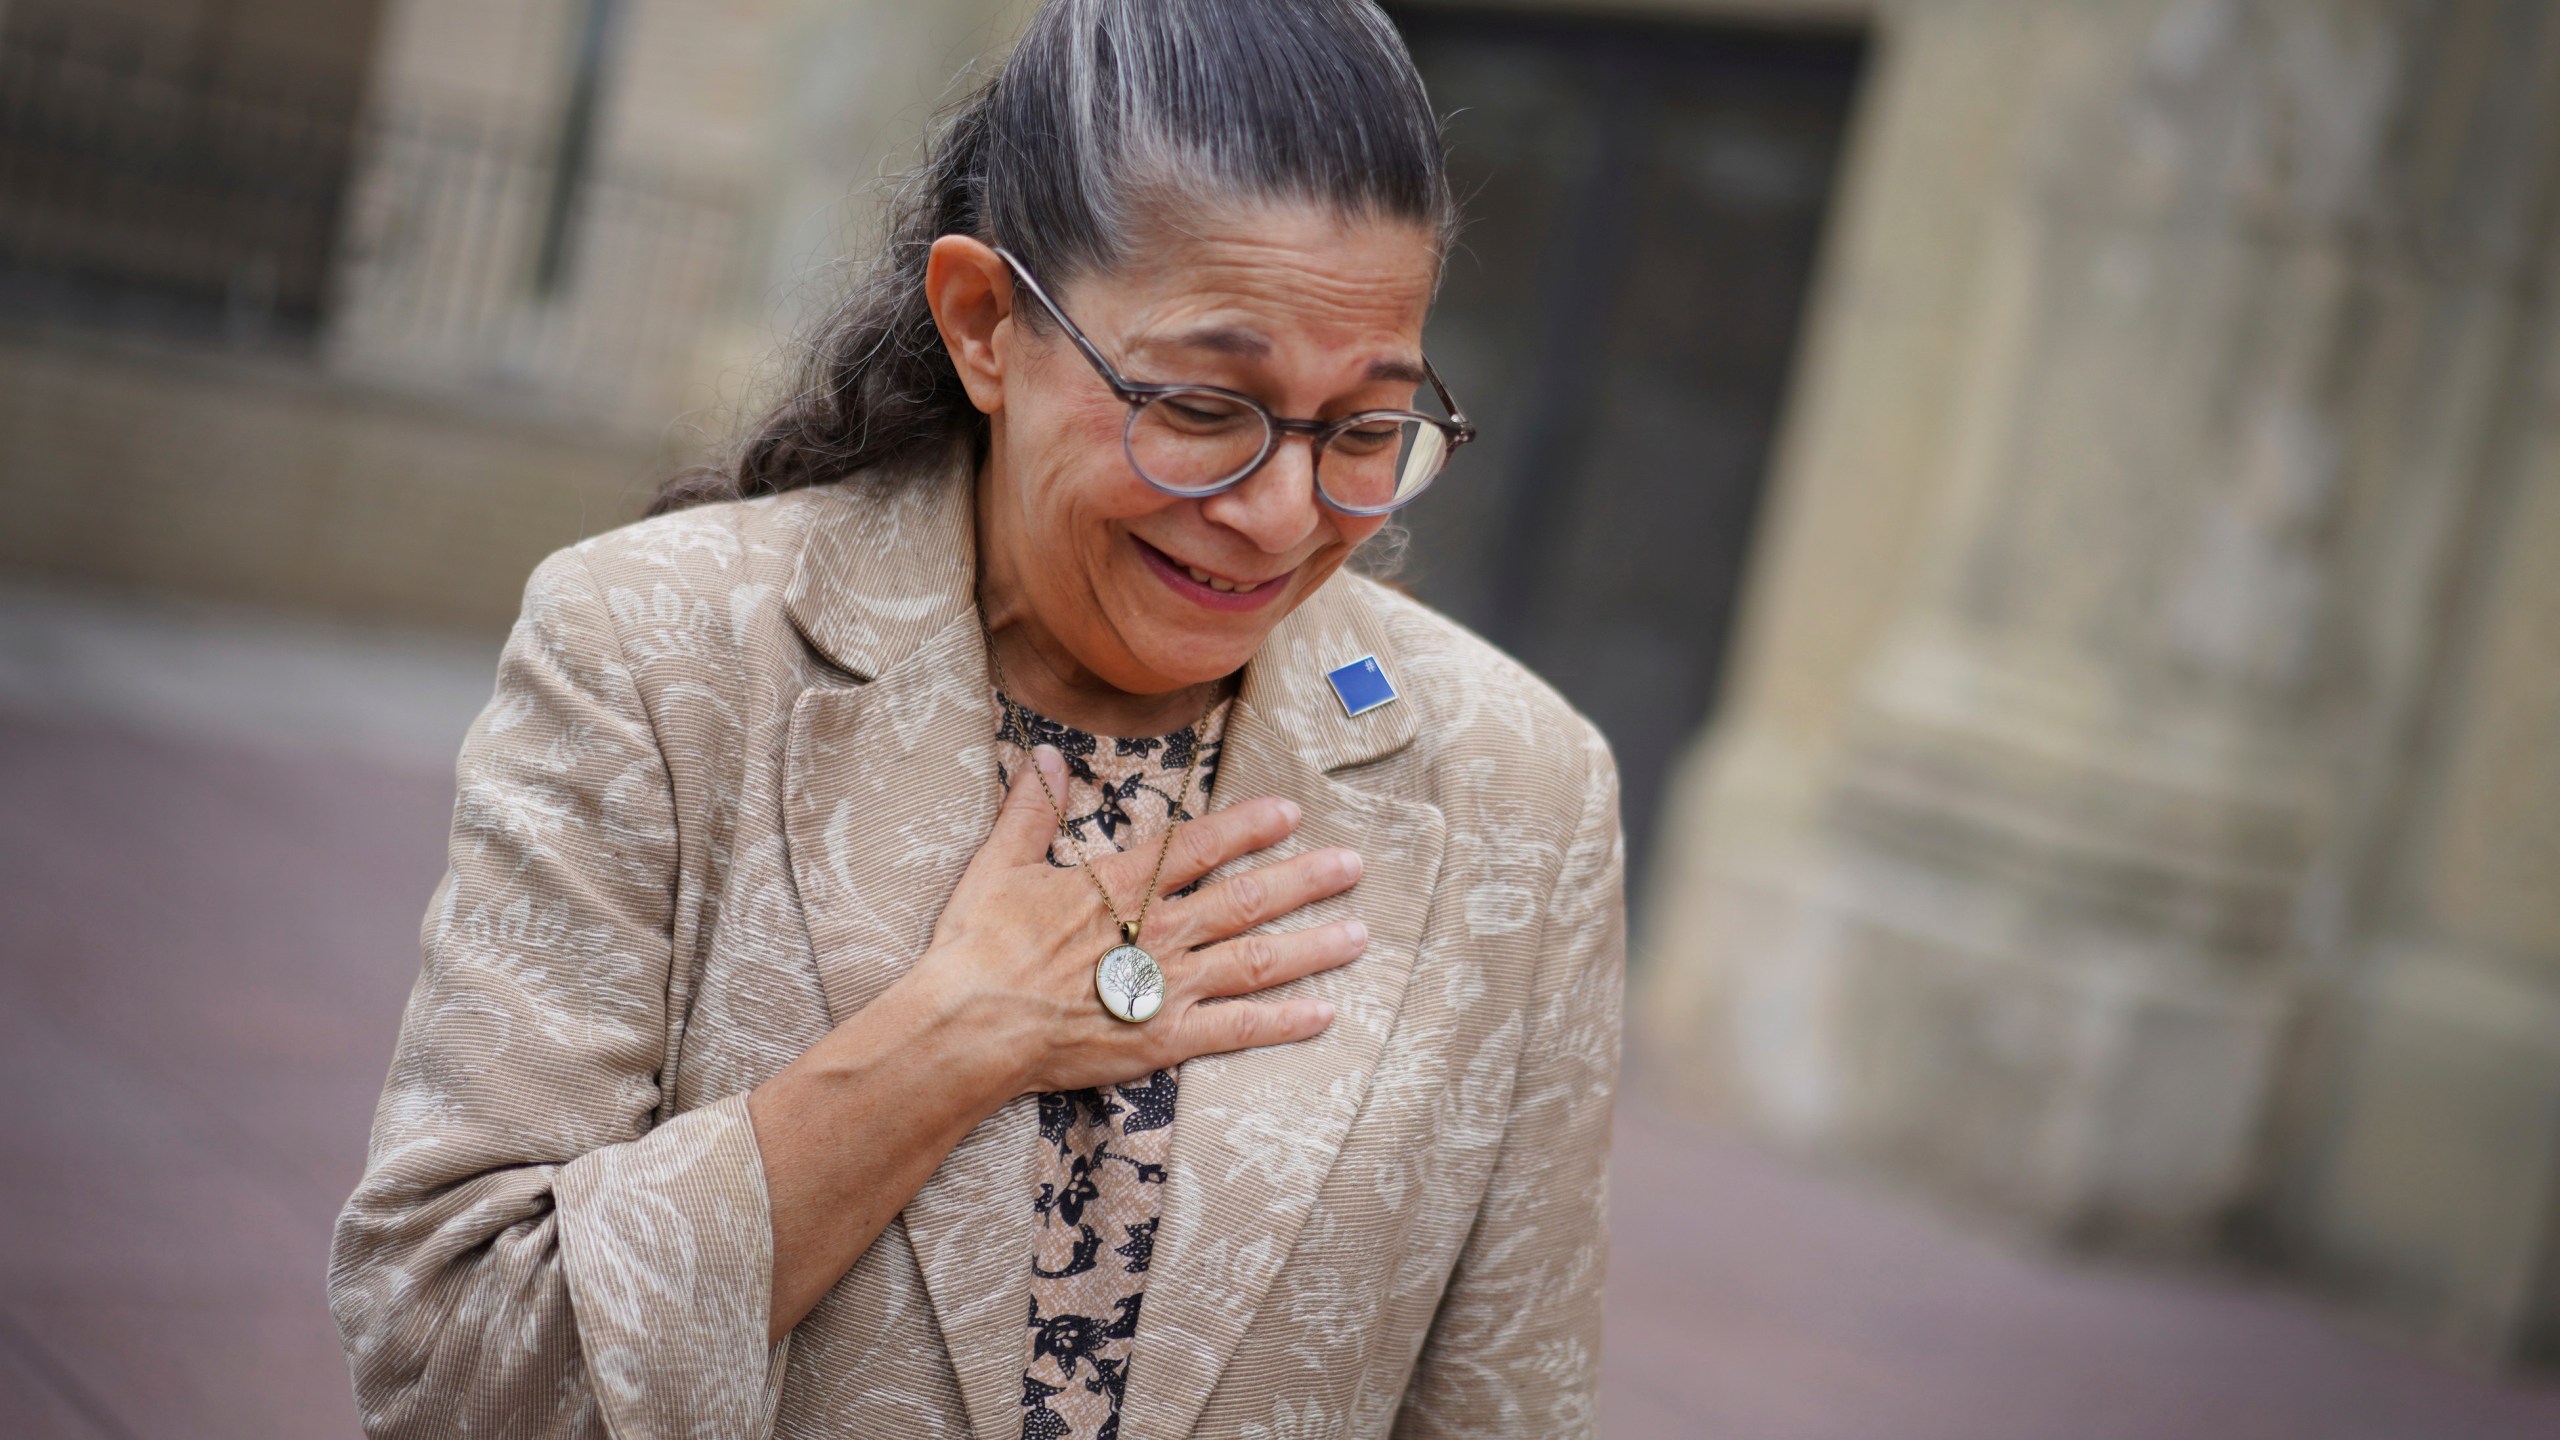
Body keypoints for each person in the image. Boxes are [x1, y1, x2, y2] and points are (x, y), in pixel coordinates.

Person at [327, 2, 1623, 1436]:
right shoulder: (659, 653)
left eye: (1366, 429)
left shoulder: (1522, 785)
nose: (1280, 515)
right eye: (1203, 407)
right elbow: (450, 1364)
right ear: (985, 324)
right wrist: (953, 1037)